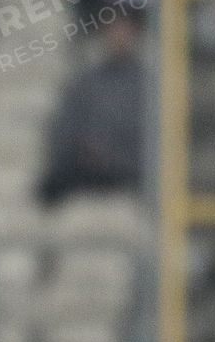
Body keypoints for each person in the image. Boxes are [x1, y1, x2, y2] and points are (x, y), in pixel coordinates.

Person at [39, 13, 147, 205]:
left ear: (135, 33)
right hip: (82, 180)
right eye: (113, 29)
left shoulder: (149, 86)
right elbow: (65, 133)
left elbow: (149, 141)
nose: (118, 36)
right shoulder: (84, 82)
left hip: (129, 181)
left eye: (124, 30)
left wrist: (111, 157)